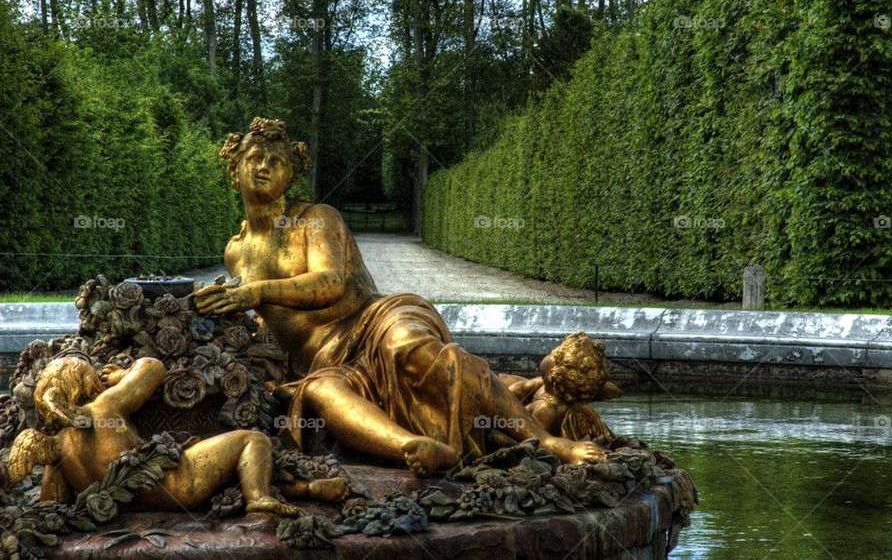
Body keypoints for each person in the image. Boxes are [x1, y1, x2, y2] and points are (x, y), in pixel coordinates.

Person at [196, 118, 605, 476]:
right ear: (235, 170)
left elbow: (330, 282)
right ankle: (414, 446)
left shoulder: (315, 219)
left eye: (277, 161)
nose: (264, 166)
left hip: (372, 321)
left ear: (291, 175)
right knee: (321, 393)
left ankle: (549, 442)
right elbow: (267, 319)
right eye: (255, 158)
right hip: (328, 362)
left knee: (409, 347)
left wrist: (254, 292)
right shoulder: (236, 251)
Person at [8, 357, 347, 513]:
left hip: (142, 502)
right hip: (180, 480)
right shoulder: (103, 408)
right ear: (84, 384)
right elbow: (153, 368)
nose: (98, 378)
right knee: (251, 441)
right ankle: (259, 499)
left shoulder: (56, 449)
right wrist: (124, 374)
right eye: (91, 374)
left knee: (232, 473)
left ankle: (308, 489)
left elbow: (51, 504)